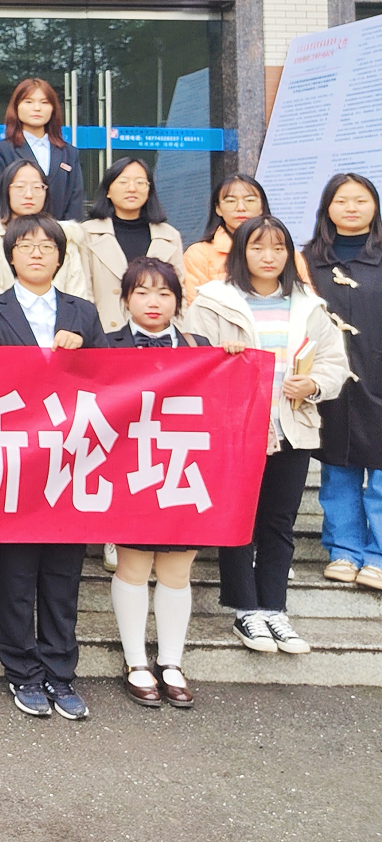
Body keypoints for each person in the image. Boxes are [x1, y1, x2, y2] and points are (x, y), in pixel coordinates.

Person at [182, 215, 349, 655]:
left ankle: (274, 608)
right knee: (239, 518)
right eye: (257, 247)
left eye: (278, 248)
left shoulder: (308, 305)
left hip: (291, 425)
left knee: (279, 522)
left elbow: (334, 362)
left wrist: (313, 385)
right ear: (241, 252)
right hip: (235, 428)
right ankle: (245, 610)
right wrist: (222, 358)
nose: (268, 257)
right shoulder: (213, 301)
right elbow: (192, 358)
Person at [0, 213, 106, 720]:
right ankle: (22, 671)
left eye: (46, 245)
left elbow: (110, 379)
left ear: (59, 256)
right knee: (16, 570)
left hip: (70, 457)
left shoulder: (83, 313)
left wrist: (81, 351)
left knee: (63, 573)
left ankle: (60, 671)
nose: (35, 253)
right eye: (25, 245)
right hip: (14, 455)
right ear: (10, 255)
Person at [103, 256, 213, 710]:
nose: (154, 301)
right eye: (142, 292)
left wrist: (231, 358)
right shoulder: (105, 345)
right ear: (126, 299)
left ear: (178, 300)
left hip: (183, 467)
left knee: (176, 571)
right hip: (129, 469)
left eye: (164, 293)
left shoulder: (201, 346)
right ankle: (135, 662)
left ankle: (171, 662)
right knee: (132, 566)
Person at [303, 173, 382, 590]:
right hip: (330, 379)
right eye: (342, 200)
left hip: (378, 371)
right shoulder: (307, 260)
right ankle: (344, 550)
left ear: (375, 207)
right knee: (338, 466)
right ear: (327, 208)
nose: (351, 208)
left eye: (361, 200)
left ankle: (379, 554)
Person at [79, 157, 186, 333]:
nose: (132, 188)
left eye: (140, 183)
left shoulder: (169, 236)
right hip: (103, 337)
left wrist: (176, 336)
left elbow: (180, 293)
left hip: (159, 338)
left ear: (149, 190)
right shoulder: (86, 234)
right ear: (108, 190)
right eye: (123, 182)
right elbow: (83, 293)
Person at [0, 158, 91, 300]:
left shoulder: (65, 237)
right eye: (20, 187)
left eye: (37, 187)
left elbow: (77, 292)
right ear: (5, 190)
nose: (29, 195)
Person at [182, 174, 308, 298]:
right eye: (231, 201)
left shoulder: (287, 253)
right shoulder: (198, 254)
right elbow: (195, 304)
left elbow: (306, 300)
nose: (241, 208)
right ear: (218, 208)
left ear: (262, 206)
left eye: (250, 200)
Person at [0, 78, 83, 221]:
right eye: (29, 102)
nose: (37, 108)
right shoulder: (1, 151)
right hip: (16, 230)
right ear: (16, 107)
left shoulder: (68, 152)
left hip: (60, 230)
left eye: (44, 102)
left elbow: (75, 199)